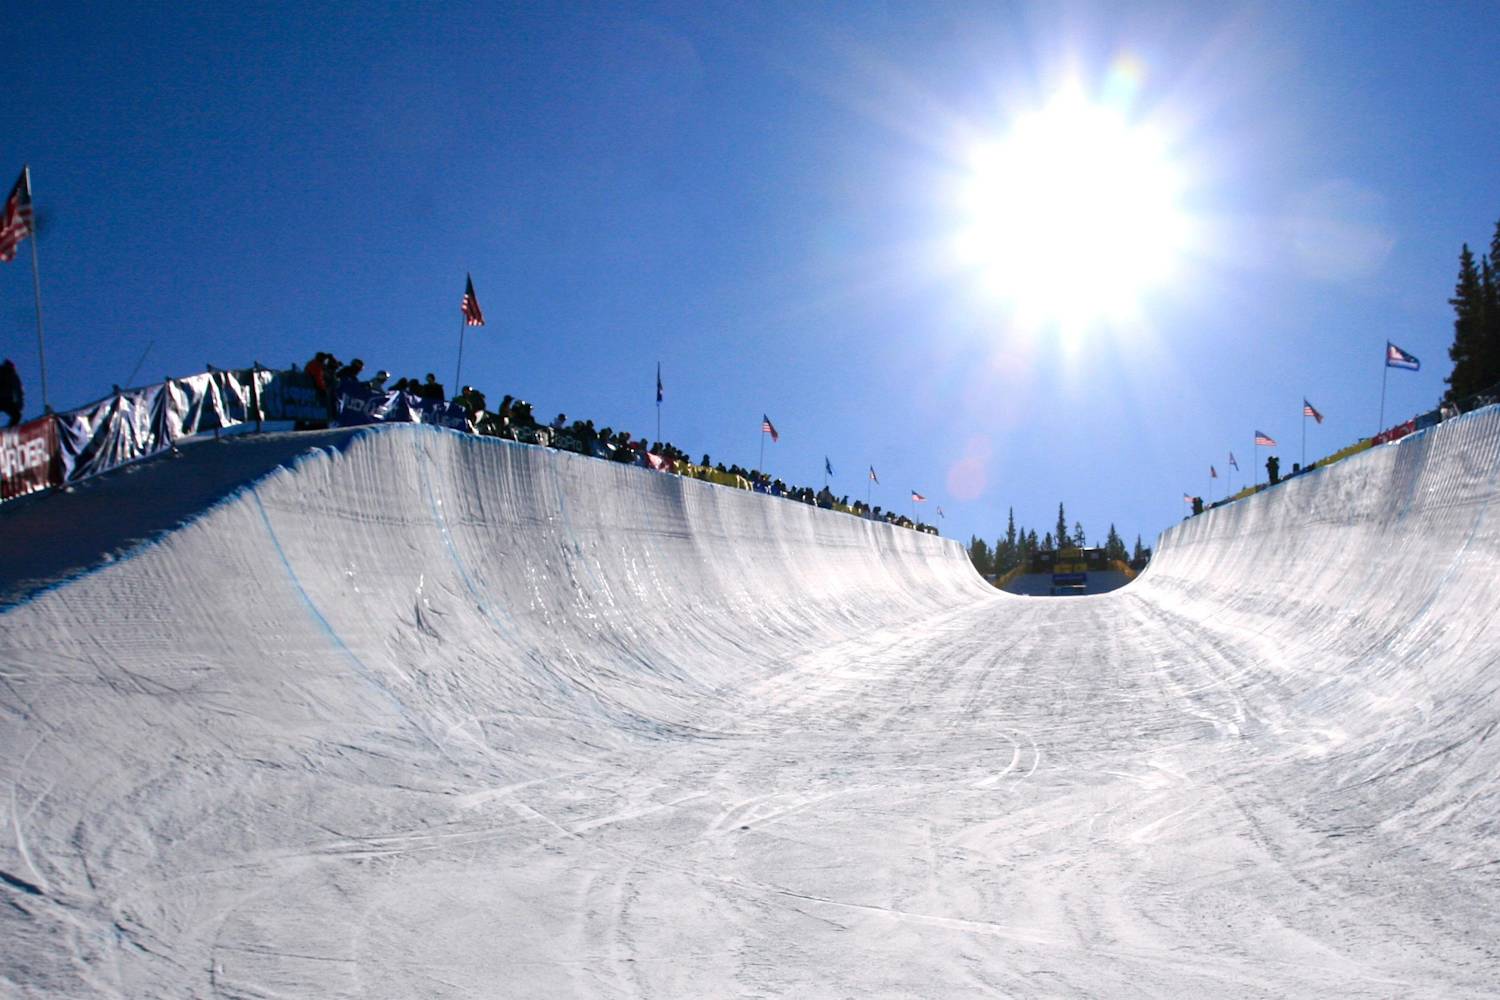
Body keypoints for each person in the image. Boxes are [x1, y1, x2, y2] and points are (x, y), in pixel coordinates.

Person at [0, 359, 22, 426]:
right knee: (17, 415)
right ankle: (10, 428)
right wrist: (20, 404)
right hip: (8, 400)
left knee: (16, 415)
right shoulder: (13, 375)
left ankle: (10, 428)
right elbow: (19, 391)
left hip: (6, 399)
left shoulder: (4, 372)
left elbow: (19, 390)